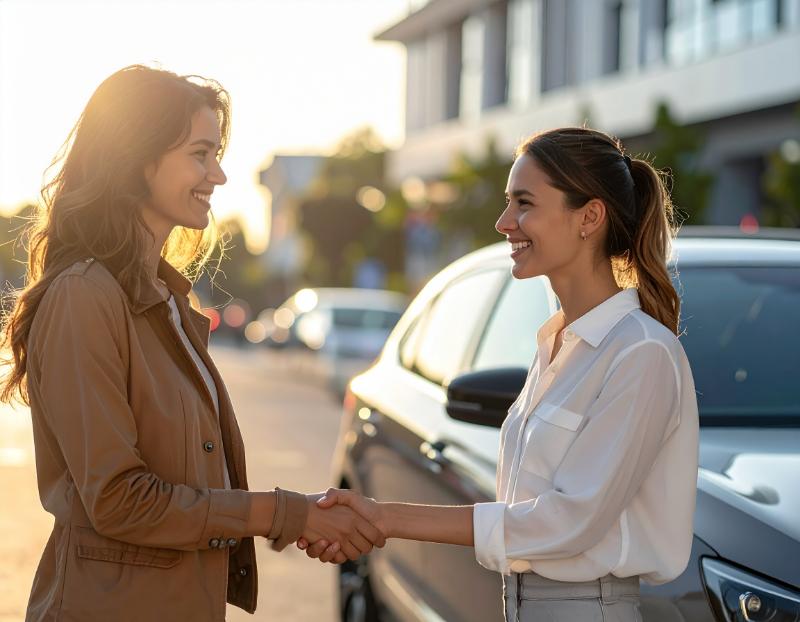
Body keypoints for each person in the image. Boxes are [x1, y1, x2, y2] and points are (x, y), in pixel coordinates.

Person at [0, 65, 383, 622]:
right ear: (137, 158)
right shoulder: (85, 297)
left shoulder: (166, 299)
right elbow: (119, 500)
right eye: (200, 154)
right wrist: (288, 515)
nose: (219, 175)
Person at [298, 127, 699, 621]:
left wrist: (384, 517)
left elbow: (567, 521)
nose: (504, 221)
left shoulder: (641, 354)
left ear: (589, 217)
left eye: (524, 203)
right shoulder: (555, 344)